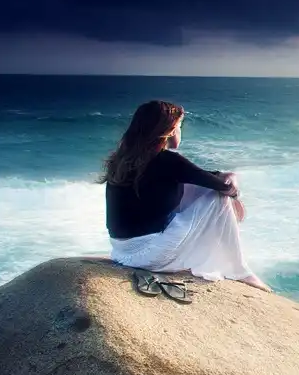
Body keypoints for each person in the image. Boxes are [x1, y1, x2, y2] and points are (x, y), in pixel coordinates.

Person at [101, 100, 270, 290]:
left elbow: (201, 176)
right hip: (149, 254)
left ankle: (234, 266)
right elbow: (225, 188)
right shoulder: (167, 161)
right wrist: (234, 188)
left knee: (194, 186)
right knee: (217, 197)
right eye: (179, 126)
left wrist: (224, 180)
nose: (180, 131)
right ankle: (241, 271)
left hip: (121, 252)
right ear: (170, 130)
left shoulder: (122, 159)